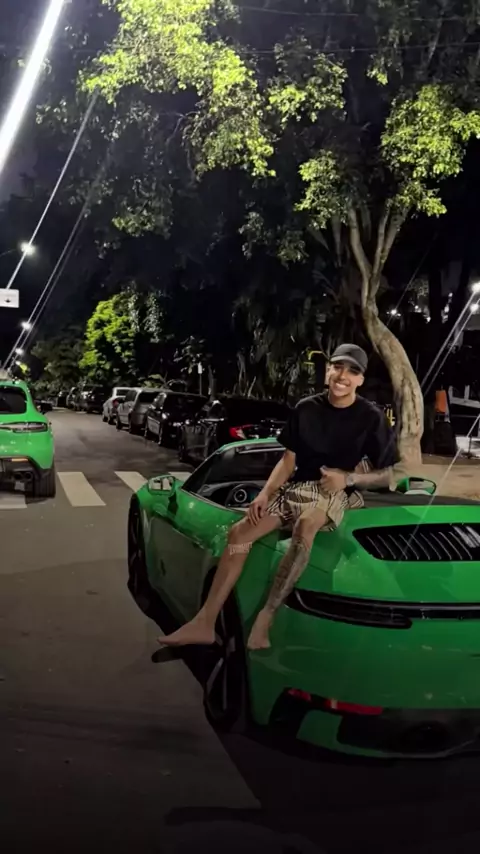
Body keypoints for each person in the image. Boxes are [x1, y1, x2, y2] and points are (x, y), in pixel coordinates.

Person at [159, 343, 398, 652]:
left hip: (332, 493)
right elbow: (287, 461)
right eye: (338, 367)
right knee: (239, 534)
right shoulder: (306, 408)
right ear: (328, 370)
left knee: (306, 525)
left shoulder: (371, 417)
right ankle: (204, 622)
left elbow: (391, 475)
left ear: (361, 380)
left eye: (353, 371)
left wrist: (349, 478)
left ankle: (266, 617)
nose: (343, 376)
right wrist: (264, 494)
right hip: (295, 490)